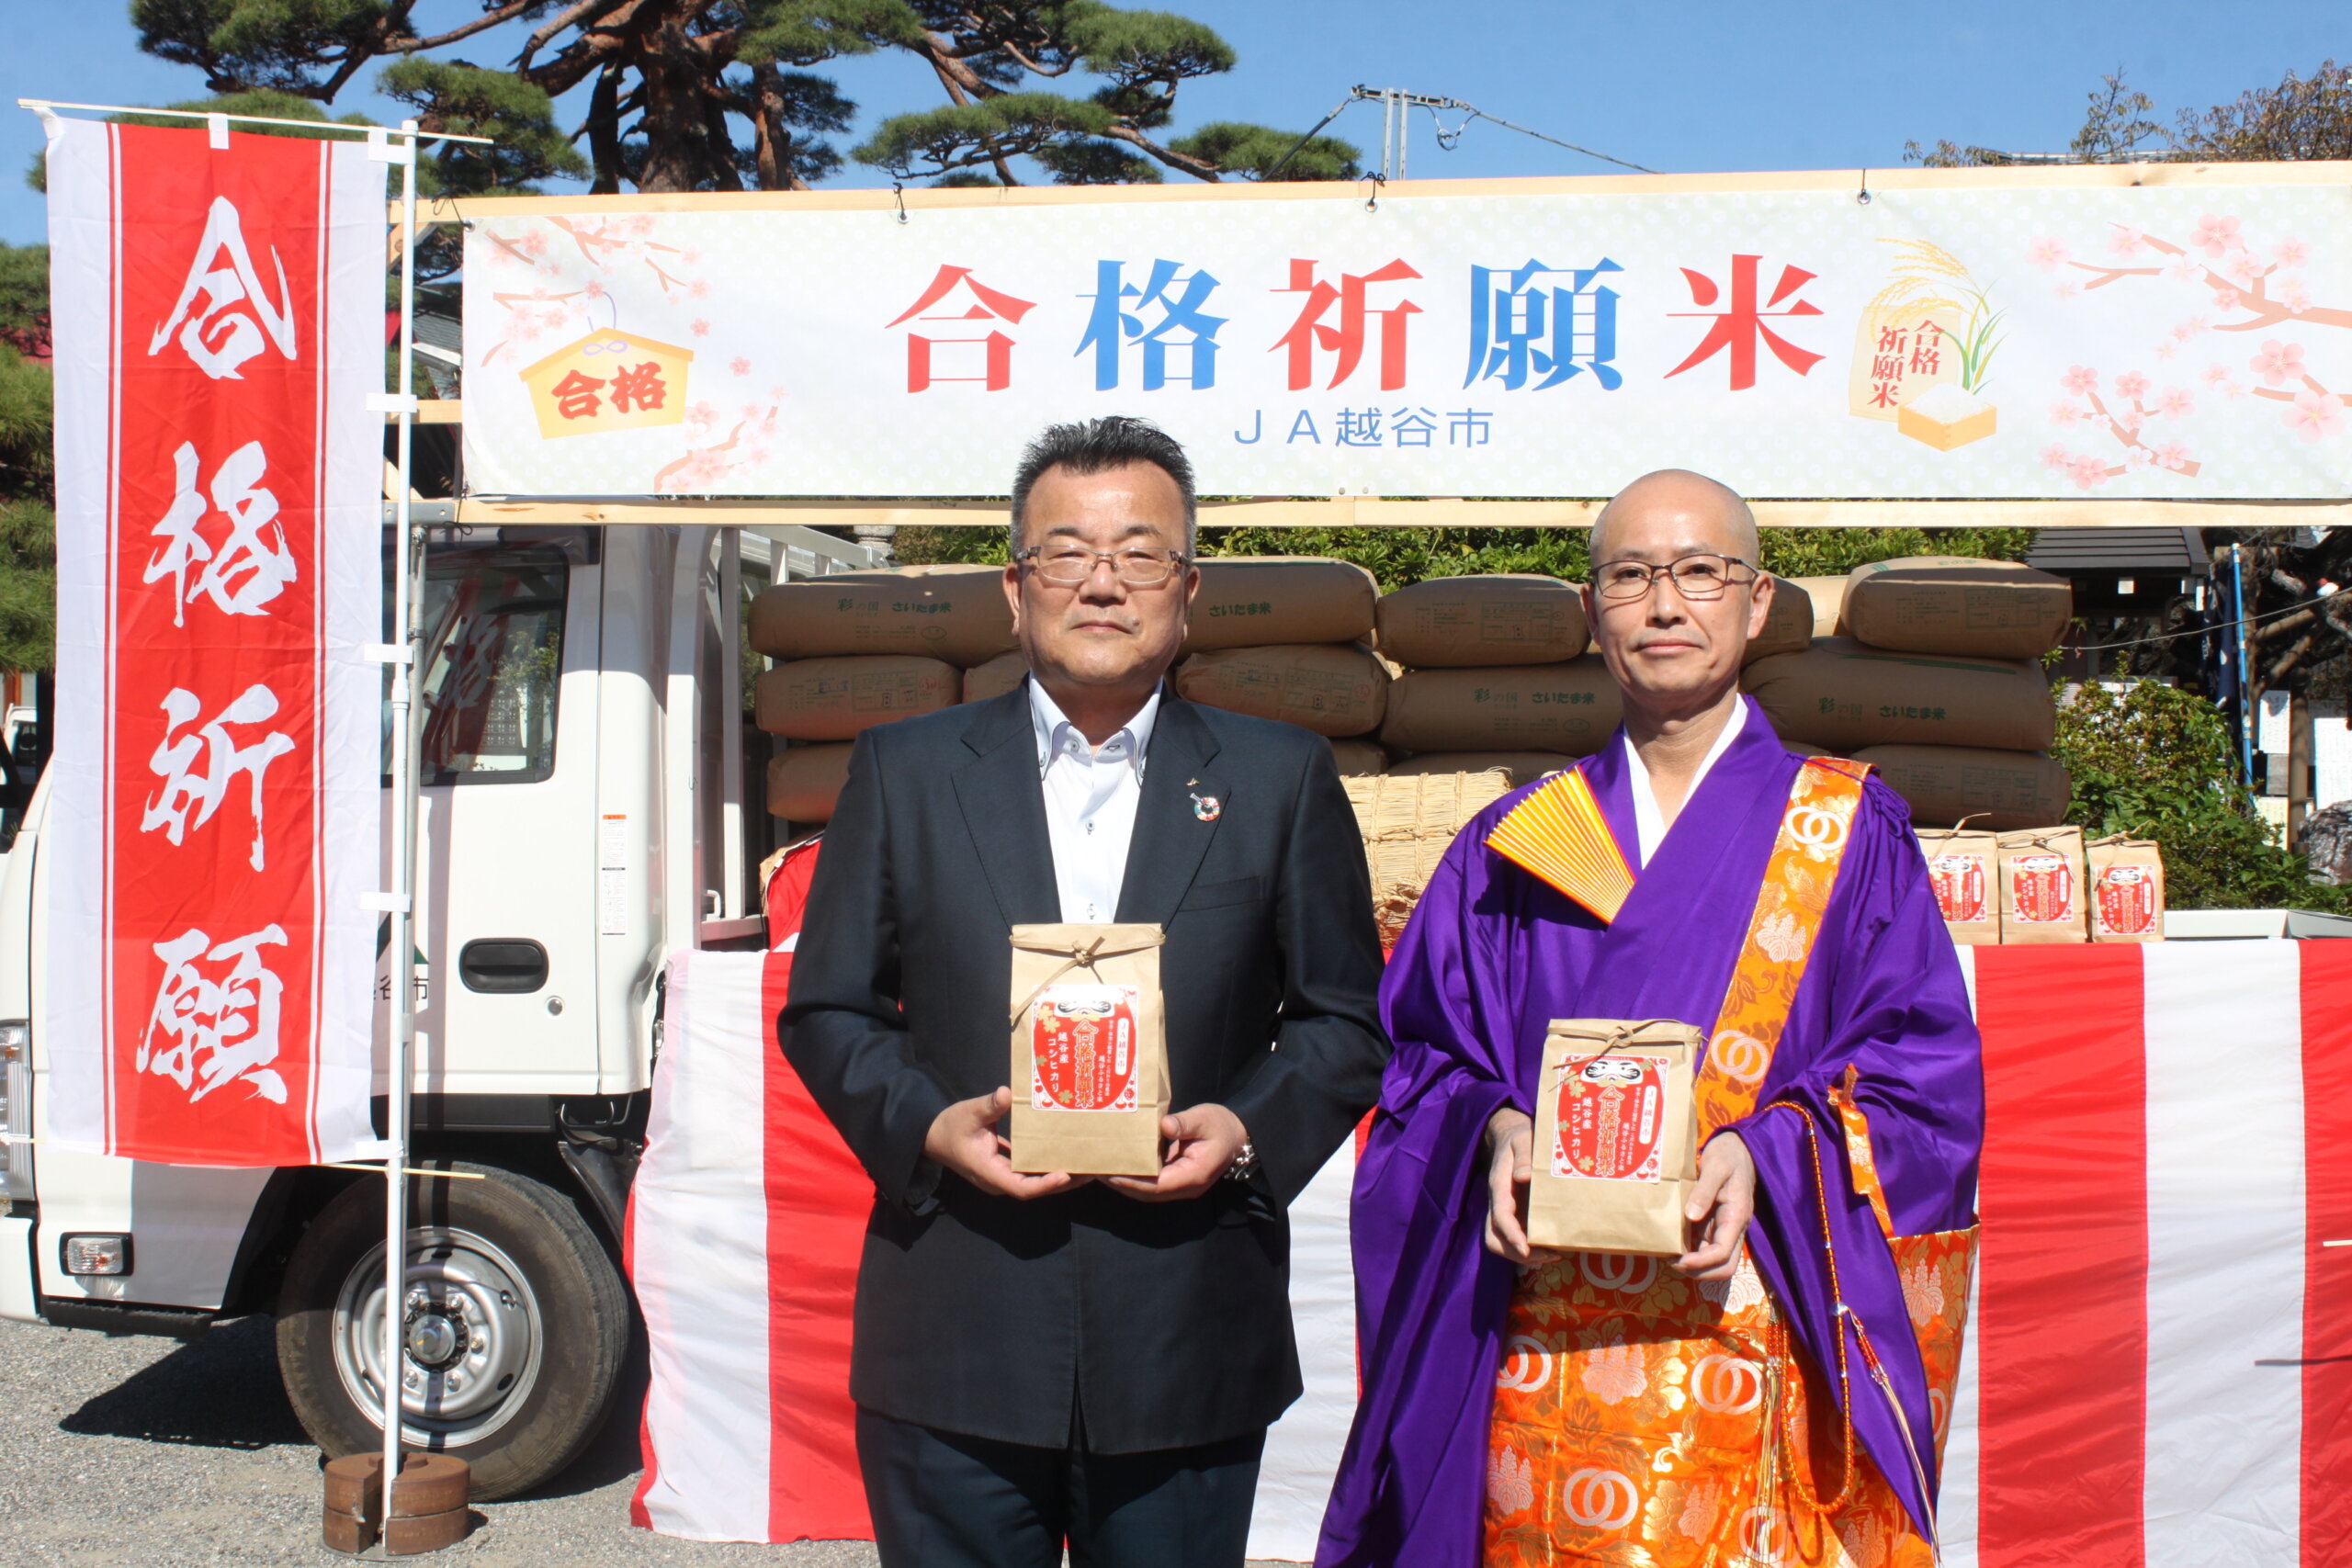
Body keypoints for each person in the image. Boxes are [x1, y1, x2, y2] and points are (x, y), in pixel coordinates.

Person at [1317, 470, 1983, 1568]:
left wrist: (1771, 1152)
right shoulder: (1516, 844)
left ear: (1756, 602)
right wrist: (1492, 1129)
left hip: (1759, 1326)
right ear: (1591, 612)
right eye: (1629, 576)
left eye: (1699, 573)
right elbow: (1418, 1062)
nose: (1664, 605)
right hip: (1540, 1357)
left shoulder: (1845, 831)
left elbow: (1923, 1078)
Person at [783, 415, 1389, 1568]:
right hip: (959, 1326)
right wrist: (930, 1125)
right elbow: (831, 1012)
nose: (1101, 583)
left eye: (1139, 553)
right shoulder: (905, 772)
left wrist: (1249, 1128)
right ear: (1015, 590)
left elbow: (1341, 1019)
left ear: (1188, 588)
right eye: (1066, 552)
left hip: (1185, 1334)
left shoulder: (1278, 779)